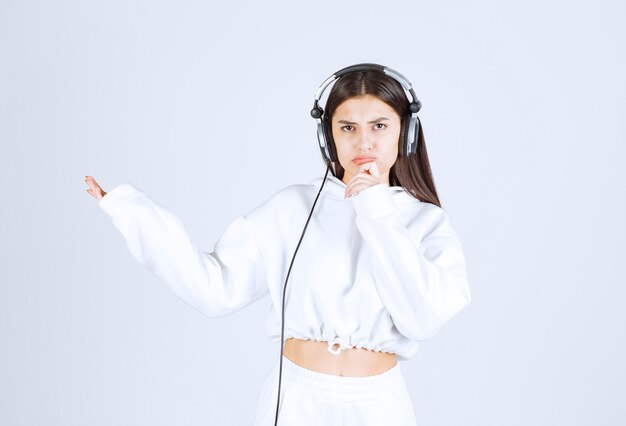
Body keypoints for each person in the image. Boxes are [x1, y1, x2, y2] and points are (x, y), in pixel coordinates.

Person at [85, 63, 471, 426]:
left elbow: (422, 318)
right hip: (296, 400)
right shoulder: (292, 208)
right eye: (348, 128)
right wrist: (133, 213)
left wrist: (376, 209)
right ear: (328, 136)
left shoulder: (423, 221)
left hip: (377, 406)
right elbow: (214, 289)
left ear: (406, 132)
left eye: (380, 126)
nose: (364, 142)